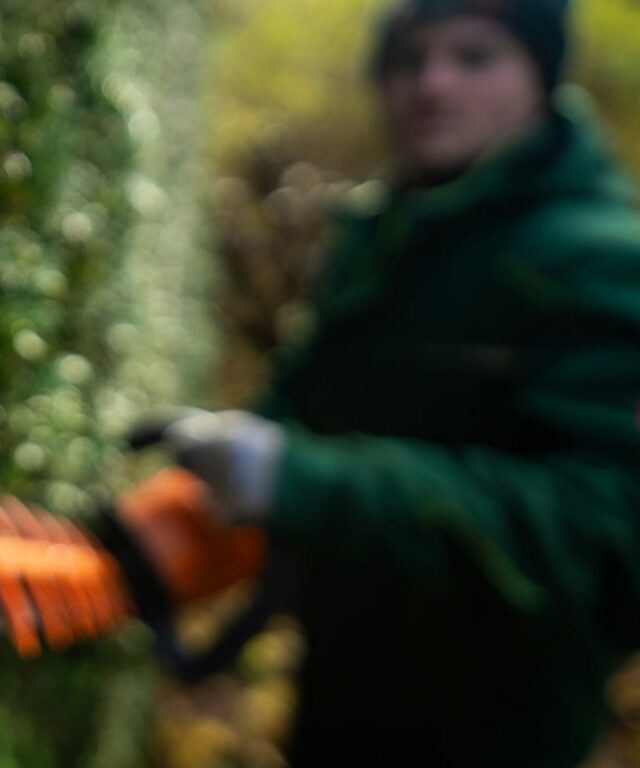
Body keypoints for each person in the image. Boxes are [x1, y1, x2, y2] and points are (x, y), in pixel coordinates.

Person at [117, 0, 640, 764]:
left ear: (542, 77)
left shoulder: (602, 261)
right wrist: (207, 500)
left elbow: (604, 537)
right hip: (338, 697)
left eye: (474, 56)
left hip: (498, 728)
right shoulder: (385, 235)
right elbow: (308, 404)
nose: (431, 83)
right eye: (408, 60)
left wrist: (299, 481)